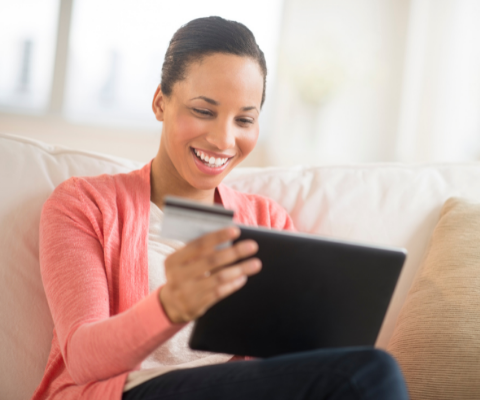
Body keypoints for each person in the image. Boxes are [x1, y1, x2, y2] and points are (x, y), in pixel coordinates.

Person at [33, 16, 409, 400]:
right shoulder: (84, 205)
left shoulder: (268, 221)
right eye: (203, 111)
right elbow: (81, 358)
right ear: (161, 102)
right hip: (127, 393)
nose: (222, 139)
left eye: (244, 119)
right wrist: (169, 307)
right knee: (368, 373)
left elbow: (291, 365)